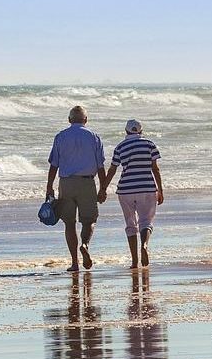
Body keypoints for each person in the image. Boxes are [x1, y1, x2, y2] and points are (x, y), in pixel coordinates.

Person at [45, 106, 108, 271]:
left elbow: (54, 165)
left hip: (66, 183)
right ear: (86, 120)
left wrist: (49, 187)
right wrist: (103, 188)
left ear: (69, 120)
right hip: (87, 183)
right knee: (90, 220)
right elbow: (101, 166)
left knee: (69, 223)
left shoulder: (60, 136)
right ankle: (85, 245)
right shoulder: (94, 137)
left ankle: (74, 263)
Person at [100, 119, 164, 270]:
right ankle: (145, 245)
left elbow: (112, 169)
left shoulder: (120, 147)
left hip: (126, 190)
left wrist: (103, 188)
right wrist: (160, 190)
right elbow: (155, 169)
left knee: (130, 224)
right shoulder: (149, 144)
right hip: (147, 187)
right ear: (141, 131)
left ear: (126, 131)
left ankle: (135, 261)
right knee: (146, 222)